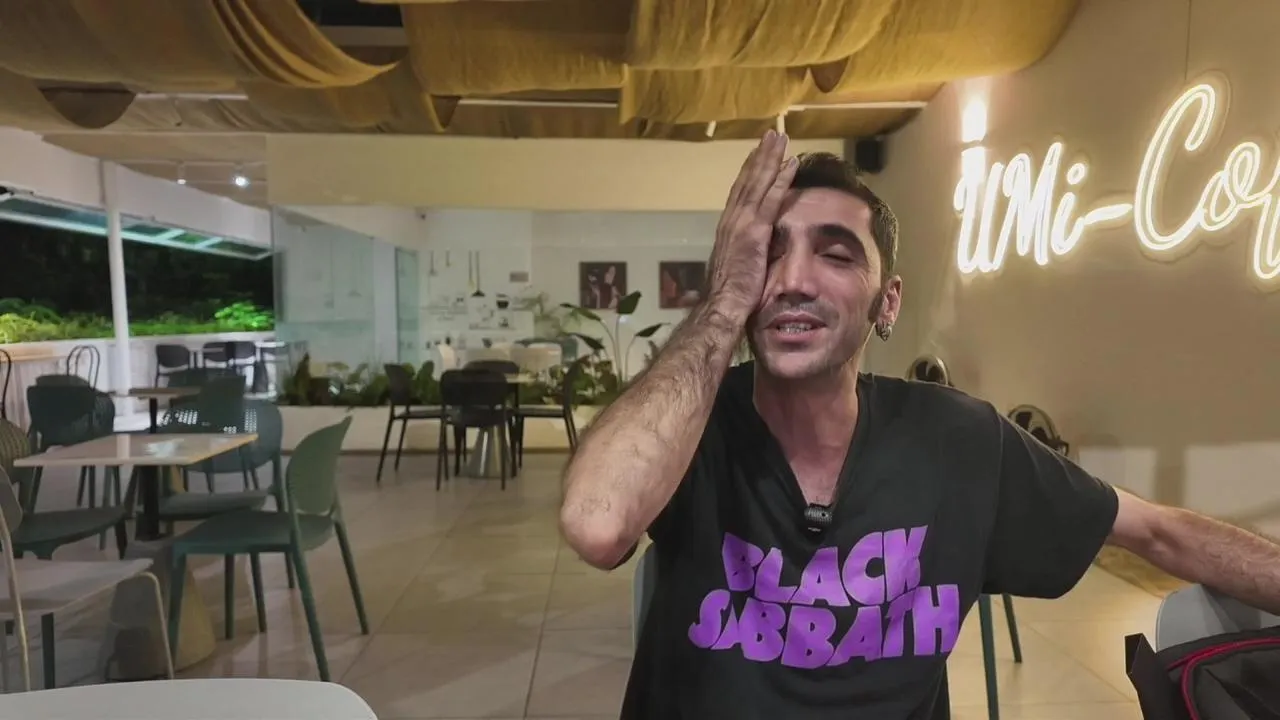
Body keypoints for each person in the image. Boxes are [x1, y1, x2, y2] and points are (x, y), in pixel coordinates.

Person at [558, 129, 1280, 719]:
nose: (793, 280)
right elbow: (596, 524)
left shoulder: (956, 440)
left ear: (888, 301)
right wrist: (723, 300)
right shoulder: (692, 425)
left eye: (835, 254)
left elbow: (1156, 531)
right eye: (767, 253)